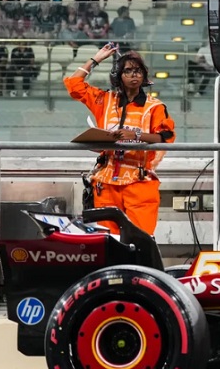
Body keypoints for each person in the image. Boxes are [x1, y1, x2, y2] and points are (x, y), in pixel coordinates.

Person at [64, 42, 175, 235]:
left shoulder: (155, 106)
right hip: (105, 185)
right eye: (129, 71)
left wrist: (136, 135)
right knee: (107, 241)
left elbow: (166, 137)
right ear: (118, 76)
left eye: (139, 71)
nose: (134, 75)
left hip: (139, 183)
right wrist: (95, 59)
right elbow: (74, 86)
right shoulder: (104, 100)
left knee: (140, 240)